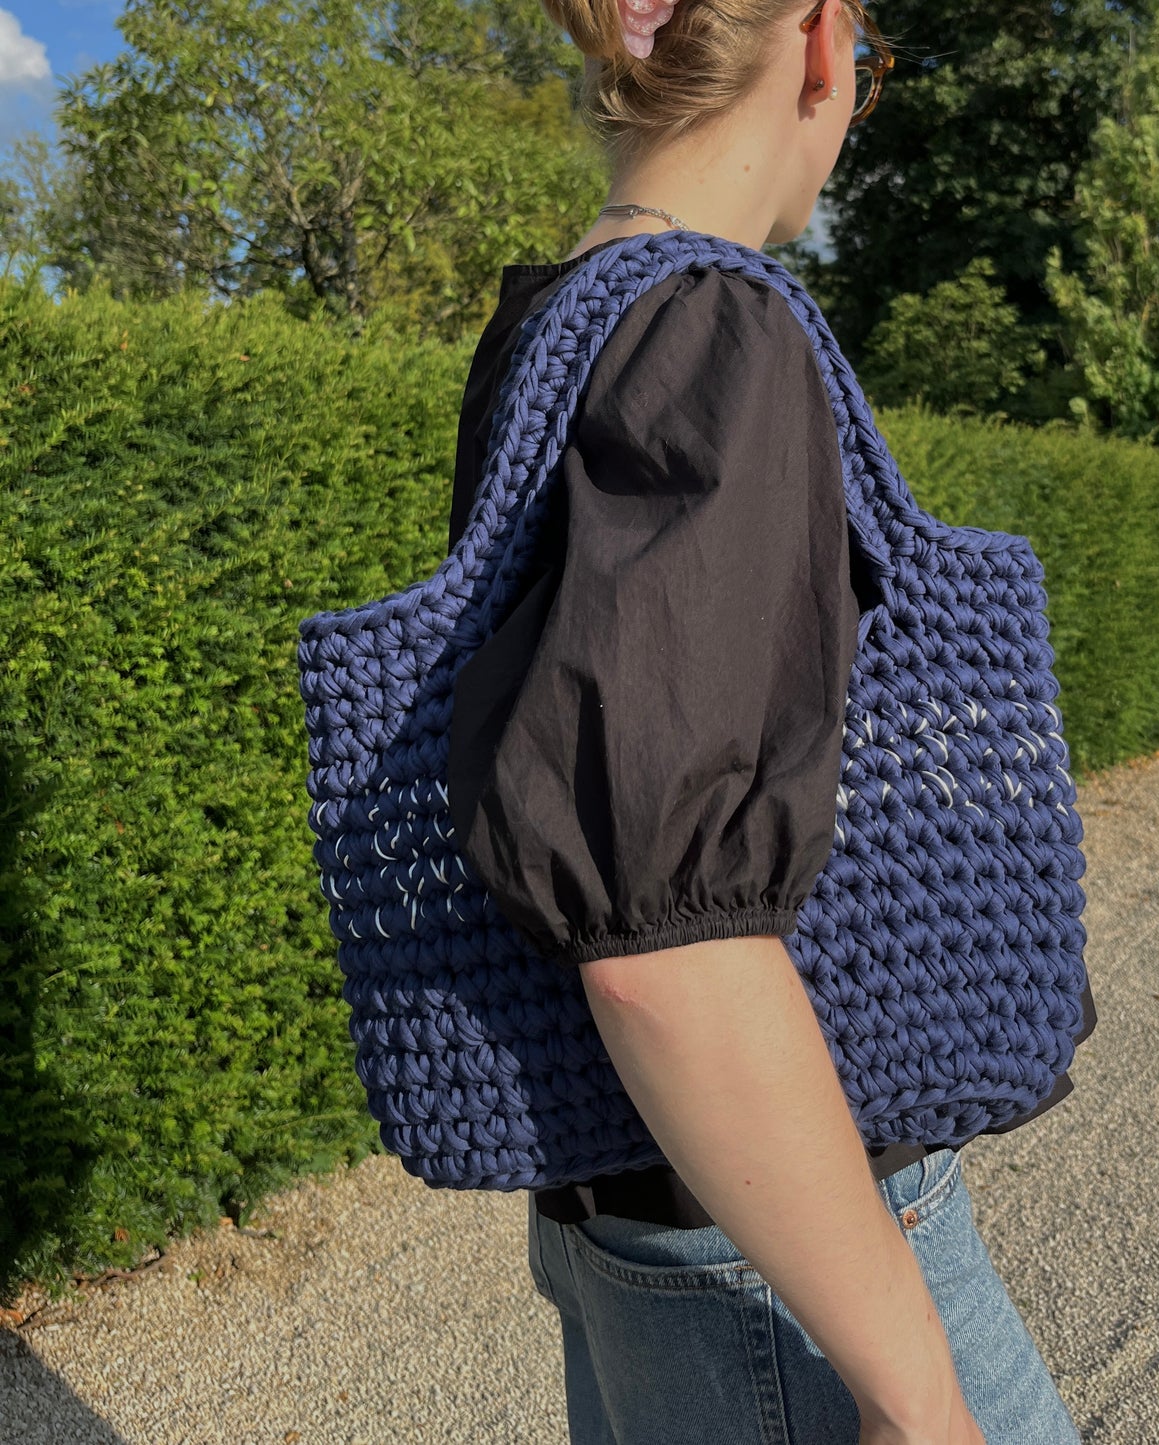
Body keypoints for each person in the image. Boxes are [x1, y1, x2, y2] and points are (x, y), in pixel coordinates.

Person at [444, 0, 1092, 1440]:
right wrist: (913, 1388)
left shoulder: (554, 321)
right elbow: (665, 948)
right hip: (785, 1242)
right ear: (816, 40)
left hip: (651, 1206)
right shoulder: (711, 332)